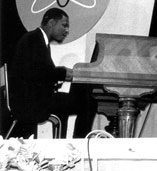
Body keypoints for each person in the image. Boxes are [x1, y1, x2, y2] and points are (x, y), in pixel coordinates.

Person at [8, 7, 97, 138]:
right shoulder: (33, 40)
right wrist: (63, 73)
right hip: (31, 104)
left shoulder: (36, 39)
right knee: (89, 102)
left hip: (34, 100)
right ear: (51, 23)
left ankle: (69, 141)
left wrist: (62, 74)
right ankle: (80, 141)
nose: (66, 30)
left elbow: (40, 72)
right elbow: (38, 73)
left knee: (80, 95)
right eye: (64, 25)